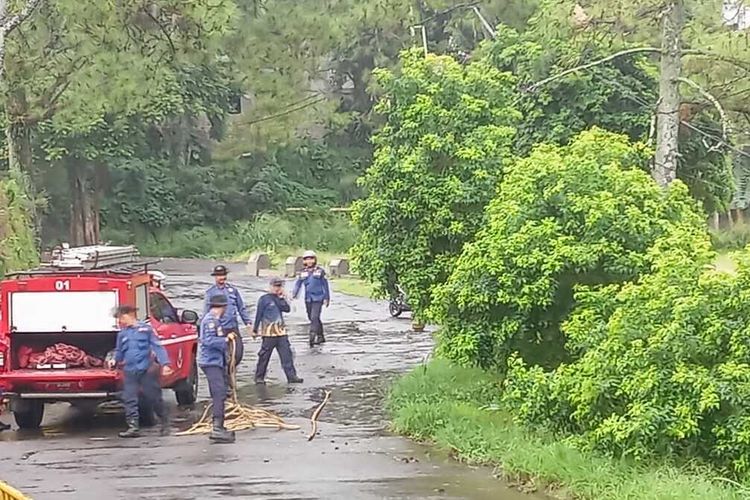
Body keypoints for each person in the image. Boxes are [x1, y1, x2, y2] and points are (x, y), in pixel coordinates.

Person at [108, 305, 172, 438]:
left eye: (121, 318)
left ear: (129, 315)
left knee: (153, 397)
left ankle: (164, 422)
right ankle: (133, 427)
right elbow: (120, 351)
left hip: (146, 370)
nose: (120, 321)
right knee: (129, 398)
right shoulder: (122, 334)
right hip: (130, 370)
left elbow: (157, 347)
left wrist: (165, 364)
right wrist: (114, 360)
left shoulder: (146, 330)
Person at [203, 265, 251, 391]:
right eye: (219, 275)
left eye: (223, 275)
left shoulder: (233, 291)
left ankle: (230, 371)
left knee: (238, 353)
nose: (222, 278)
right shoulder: (210, 293)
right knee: (223, 355)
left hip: (233, 327)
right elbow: (206, 313)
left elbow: (241, 308)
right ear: (215, 277)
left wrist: (248, 323)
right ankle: (226, 381)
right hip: (220, 329)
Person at [199, 294, 236, 443]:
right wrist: (226, 340)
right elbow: (208, 341)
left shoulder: (215, 321)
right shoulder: (209, 321)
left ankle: (220, 425)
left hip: (216, 361)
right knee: (219, 393)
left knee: (221, 393)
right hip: (210, 362)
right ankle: (217, 428)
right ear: (223, 307)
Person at [253, 277, 303, 385]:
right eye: (275, 286)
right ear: (270, 286)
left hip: (281, 332)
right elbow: (258, 315)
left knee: (287, 355)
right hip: (268, 333)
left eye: (279, 286)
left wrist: (282, 297)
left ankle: (291, 376)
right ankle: (259, 377)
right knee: (264, 356)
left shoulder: (279, 299)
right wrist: (255, 329)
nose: (277, 288)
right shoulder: (264, 299)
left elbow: (287, 309)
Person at [292, 250, 330, 347]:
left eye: (311, 259)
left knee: (314, 317)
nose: (309, 261)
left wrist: (327, 298)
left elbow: (325, 285)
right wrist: (294, 294)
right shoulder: (302, 272)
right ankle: (321, 335)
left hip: (318, 298)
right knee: (312, 317)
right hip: (308, 298)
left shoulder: (320, 271)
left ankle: (312, 336)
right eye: (307, 259)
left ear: (314, 260)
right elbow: (298, 284)